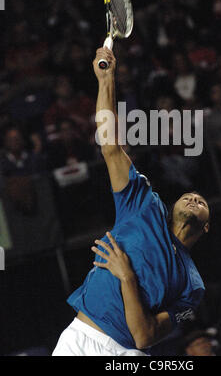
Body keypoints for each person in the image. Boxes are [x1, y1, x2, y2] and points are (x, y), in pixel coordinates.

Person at [52, 47, 210, 356]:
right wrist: (106, 79)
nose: (193, 198)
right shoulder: (144, 206)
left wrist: (126, 277)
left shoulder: (193, 285)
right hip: (78, 338)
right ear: (172, 205)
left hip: (125, 354)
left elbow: (144, 335)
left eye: (201, 202)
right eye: (189, 195)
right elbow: (110, 146)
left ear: (206, 228)